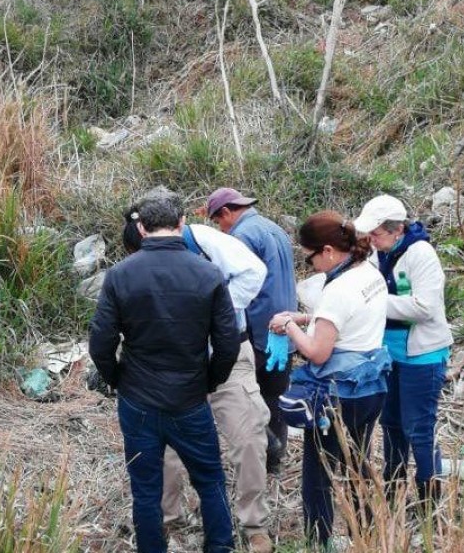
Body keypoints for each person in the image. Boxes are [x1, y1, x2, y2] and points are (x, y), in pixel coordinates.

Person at [89, 186, 238, 553]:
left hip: (138, 399)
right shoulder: (207, 274)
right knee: (210, 480)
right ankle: (220, 546)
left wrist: (116, 379)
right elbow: (228, 343)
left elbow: (100, 343)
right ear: (182, 223)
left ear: (141, 230)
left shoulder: (121, 275)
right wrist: (209, 380)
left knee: (145, 489)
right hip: (189, 398)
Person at [122, 210, 274, 553]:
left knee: (248, 436)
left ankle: (254, 524)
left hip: (230, 354)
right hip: (177, 365)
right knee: (165, 447)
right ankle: (170, 520)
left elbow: (254, 271)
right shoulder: (141, 260)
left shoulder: (205, 241)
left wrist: (214, 308)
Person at [268, 210, 391, 549]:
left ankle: (318, 541)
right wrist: (305, 315)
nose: (311, 267)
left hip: (340, 394)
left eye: (310, 259)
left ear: (327, 251)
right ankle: (367, 534)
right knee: (356, 462)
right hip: (373, 384)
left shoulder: (338, 289)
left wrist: (289, 326)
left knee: (318, 471)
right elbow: (344, 318)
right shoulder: (368, 270)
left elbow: (317, 352)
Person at [353, 194, 453, 510]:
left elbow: (425, 307)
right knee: (391, 425)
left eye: (377, 234)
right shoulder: (378, 254)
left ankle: (430, 506)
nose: (371, 240)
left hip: (422, 356)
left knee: (419, 429)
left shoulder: (420, 254)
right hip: (390, 354)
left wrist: (373, 303)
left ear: (397, 229)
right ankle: (394, 497)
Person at [207, 187, 298, 473]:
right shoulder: (274, 229)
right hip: (285, 326)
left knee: (250, 398)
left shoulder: (242, 236)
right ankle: (275, 459)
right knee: (276, 393)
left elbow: (239, 288)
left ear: (226, 212)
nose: (220, 227)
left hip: (259, 329)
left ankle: (262, 455)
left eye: (218, 221)